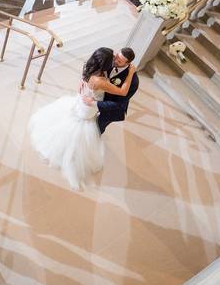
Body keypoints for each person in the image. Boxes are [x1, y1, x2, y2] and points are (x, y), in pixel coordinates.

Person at [28, 47, 137, 190]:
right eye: (114, 58)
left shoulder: (91, 67)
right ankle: (70, 156)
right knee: (80, 135)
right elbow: (122, 91)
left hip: (82, 100)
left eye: (118, 59)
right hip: (89, 107)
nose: (115, 61)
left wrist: (84, 81)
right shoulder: (101, 80)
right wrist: (131, 73)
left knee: (70, 123)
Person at [96, 48, 140, 134]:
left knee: (98, 128)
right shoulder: (111, 60)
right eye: (116, 57)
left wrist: (96, 104)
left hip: (111, 108)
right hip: (98, 96)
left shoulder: (133, 81)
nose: (114, 61)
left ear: (127, 63)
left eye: (119, 61)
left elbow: (119, 104)